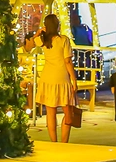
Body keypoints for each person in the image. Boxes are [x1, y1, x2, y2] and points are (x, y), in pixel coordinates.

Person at [23, 14, 79, 142]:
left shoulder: (43, 40)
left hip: (47, 77)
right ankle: (64, 142)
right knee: (68, 112)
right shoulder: (63, 40)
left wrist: (38, 33)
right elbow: (68, 61)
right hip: (62, 77)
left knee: (50, 112)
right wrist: (73, 79)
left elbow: (29, 45)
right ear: (57, 25)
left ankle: (54, 141)